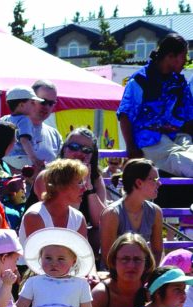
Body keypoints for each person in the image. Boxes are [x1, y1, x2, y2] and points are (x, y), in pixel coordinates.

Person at [118, 33, 193, 177]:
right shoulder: (140, 81)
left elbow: (189, 116)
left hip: (179, 137)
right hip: (151, 140)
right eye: (183, 57)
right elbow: (125, 115)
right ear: (170, 56)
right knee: (184, 162)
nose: (185, 61)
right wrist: (131, 148)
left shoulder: (179, 82)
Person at [28, 128, 108, 257]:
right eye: (74, 147)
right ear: (64, 149)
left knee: (98, 231)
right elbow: (60, 217)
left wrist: (89, 187)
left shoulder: (95, 178)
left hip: (76, 236)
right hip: (46, 235)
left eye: (87, 150)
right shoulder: (47, 175)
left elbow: (100, 220)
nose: (79, 153)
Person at [100, 159, 164, 263]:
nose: (159, 183)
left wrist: (148, 275)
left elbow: (157, 252)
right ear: (139, 183)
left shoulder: (156, 211)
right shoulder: (112, 214)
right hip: (115, 275)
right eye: (155, 179)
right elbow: (108, 258)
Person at [19, 159, 89, 247]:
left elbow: (81, 256)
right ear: (62, 185)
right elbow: (37, 257)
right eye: (79, 183)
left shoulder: (79, 218)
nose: (84, 188)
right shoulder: (35, 216)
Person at [1, 86, 46, 175]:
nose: (35, 105)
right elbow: (24, 140)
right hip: (22, 158)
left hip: (6, 158)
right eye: (32, 102)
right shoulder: (24, 119)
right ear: (21, 105)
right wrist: (34, 159)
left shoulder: (4, 119)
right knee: (41, 173)